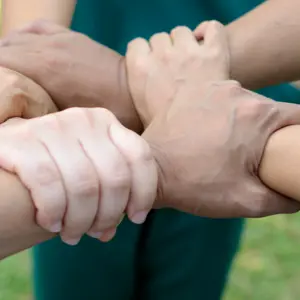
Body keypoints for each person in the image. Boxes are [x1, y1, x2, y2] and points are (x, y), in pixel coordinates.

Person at [1, 1, 300, 300]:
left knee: (189, 266)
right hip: (116, 62)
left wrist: (135, 85)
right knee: (81, 269)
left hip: (210, 71)